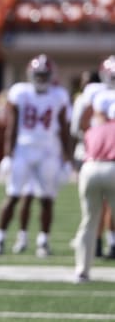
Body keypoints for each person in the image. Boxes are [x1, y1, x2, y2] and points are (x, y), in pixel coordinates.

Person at [0, 54, 72, 258]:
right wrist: (8, 156)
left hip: (48, 151)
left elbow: (64, 130)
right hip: (24, 150)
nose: (42, 78)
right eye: (39, 74)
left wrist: (67, 160)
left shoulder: (59, 95)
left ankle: (43, 242)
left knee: (47, 199)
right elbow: (12, 127)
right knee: (14, 196)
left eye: (45, 75)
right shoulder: (20, 92)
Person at [74, 102, 115, 283]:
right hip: (112, 168)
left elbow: (82, 150)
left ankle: (82, 270)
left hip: (89, 169)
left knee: (89, 221)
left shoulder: (94, 130)